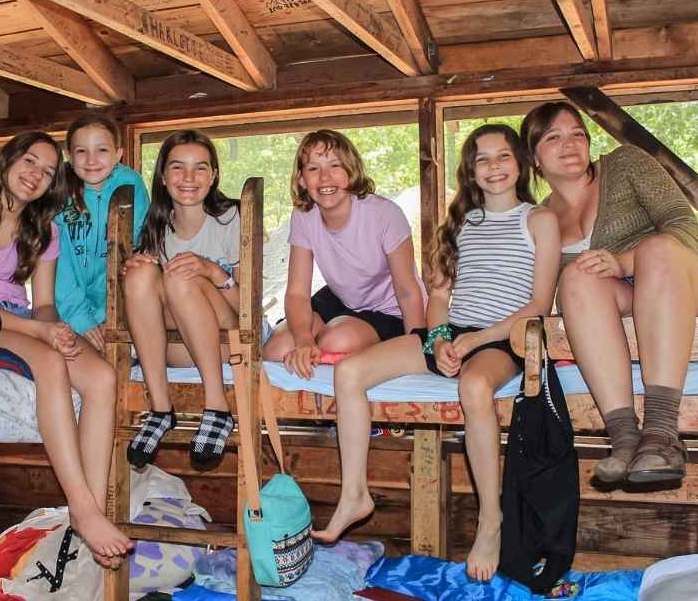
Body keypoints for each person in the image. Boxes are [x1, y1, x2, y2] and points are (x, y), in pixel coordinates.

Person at [311, 125, 559, 584]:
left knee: (474, 384)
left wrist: (477, 340)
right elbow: (439, 297)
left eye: (503, 156)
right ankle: (355, 494)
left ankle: (491, 520)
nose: (493, 167)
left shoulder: (538, 220)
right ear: (471, 171)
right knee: (349, 372)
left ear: (521, 163)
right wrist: (440, 338)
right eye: (481, 160)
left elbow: (539, 304)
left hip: (507, 335)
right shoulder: (461, 222)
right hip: (455, 332)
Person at [520, 101, 698, 484]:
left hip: (684, 283)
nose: (569, 144)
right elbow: (542, 290)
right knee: (575, 277)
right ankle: (623, 438)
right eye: (553, 137)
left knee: (657, 248)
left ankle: (661, 433)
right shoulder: (540, 218)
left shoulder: (625, 164)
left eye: (577, 134)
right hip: (622, 301)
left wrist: (624, 263)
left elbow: (685, 229)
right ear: (534, 158)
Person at [0, 131, 131, 567]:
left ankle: (97, 505)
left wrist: (57, 329)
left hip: (26, 319)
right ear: (7, 160)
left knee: (103, 376)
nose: (36, 176)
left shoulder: (43, 227)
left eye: (48, 172)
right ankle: (81, 508)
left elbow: (44, 302)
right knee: (50, 362)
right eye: (30, 162)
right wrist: (41, 334)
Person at [264, 129, 425, 379]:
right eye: (313, 168)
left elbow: (407, 290)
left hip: (389, 309)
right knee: (277, 350)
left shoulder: (384, 214)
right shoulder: (304, 216)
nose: (325, 177)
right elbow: (297, 292)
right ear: (302, 180)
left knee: (335, 341)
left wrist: (420, 347)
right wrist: (305, 340)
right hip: (343, 298)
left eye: (335, 165)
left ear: (352, 172)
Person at [123, 130, 242, 468]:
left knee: (181, 275)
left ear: (214, 175)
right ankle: (161, 409)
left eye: (200, 168)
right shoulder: (157, 227)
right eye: (178, 167)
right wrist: (135, 272)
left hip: (228, 341)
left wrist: (212, 271)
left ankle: (217, 406)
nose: (188, 178)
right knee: (140, 272)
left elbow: (244, 311)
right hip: (179, 346)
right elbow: (149, 309)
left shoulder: (232, 218)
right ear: (163, 176)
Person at [54, 109, 149, 354]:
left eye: (102, 150)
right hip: (69, 311)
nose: (91, 159)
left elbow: (135, 247)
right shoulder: (58, 193)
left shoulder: (130, 185)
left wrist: (116, 314)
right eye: (81, 151)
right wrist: (81, 319)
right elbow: (58, 264)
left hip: (121, 310)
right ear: (69, 156)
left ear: (119, 154)